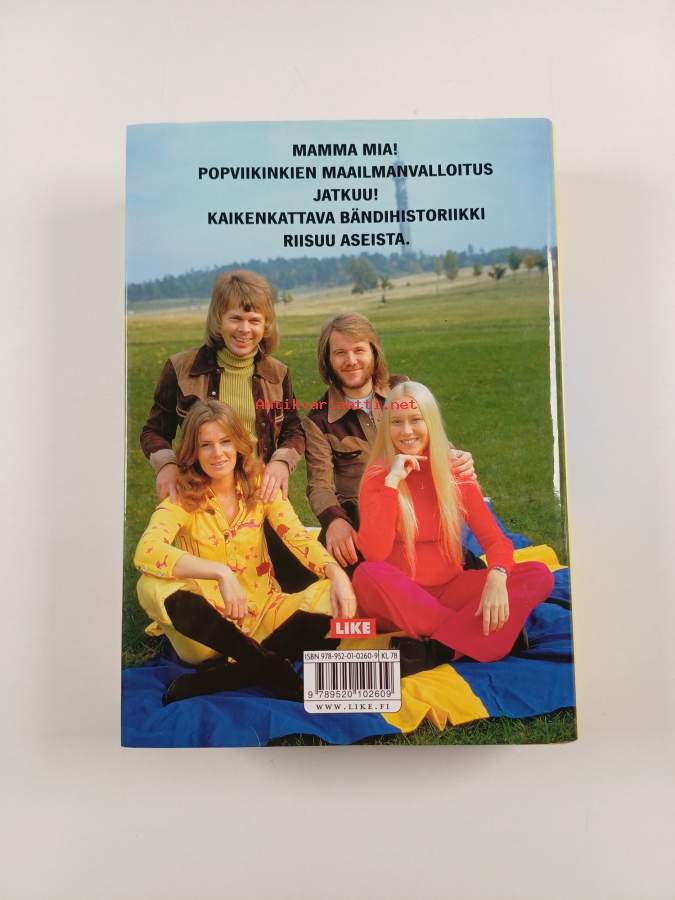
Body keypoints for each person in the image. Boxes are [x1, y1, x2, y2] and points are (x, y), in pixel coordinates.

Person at [134, 399, 355, 704]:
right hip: (206, 633)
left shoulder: (260, 486)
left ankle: (239, 671)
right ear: (193, 451)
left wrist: (337, 574)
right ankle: (264, 663)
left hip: (265, 613)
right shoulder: (182, 495)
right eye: (206, 445)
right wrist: (221, 573)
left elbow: (297, 538)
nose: (218, 453)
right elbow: (147, 550)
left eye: (225, 441)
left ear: (239, 443)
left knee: (334, 594)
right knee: (149, 585)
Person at [353, 381, 554, 667]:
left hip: (451, 590)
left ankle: (438, 649)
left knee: (538, 574)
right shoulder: (378, 476)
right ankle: (481, 636)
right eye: (397, 422)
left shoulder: (455, 471)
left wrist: (497, 578)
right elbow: (374, 553)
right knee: (367, 574)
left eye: (416, 419)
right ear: (387, 427)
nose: (406, 431)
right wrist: (392, 482)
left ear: (431, 422)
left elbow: (495, 540)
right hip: (399, 599)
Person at [140, 269, 309, 588]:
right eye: (235, 319)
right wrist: (166, 464)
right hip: (202, 497)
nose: (245, 329)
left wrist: (282, 461)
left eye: (254, 320)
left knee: (293, 580)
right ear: (218, 319)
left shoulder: (277, 374)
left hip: (258, 495)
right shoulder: (181, 368)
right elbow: (154, 430)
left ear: (266, 324)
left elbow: (293, 428)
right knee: (207, 586)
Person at [302, 312, 477, 570]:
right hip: (364, 523)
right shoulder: (318, 419)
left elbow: (431, 438)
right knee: (363, 584)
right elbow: (319, 485)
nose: (351, 361)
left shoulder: (401, 389)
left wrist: (456, 457)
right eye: (340, 353)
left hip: (417, 514)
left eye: (359, 350)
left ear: (374, 352)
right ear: (327, 360)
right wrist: (334, 521)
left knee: (472, 573)